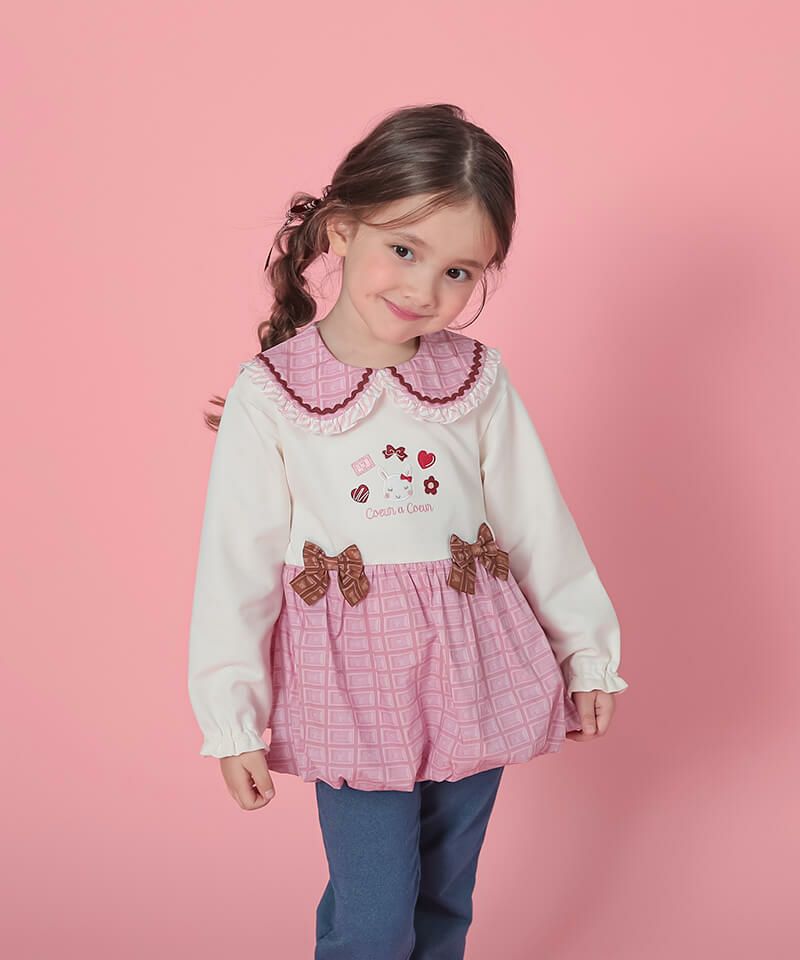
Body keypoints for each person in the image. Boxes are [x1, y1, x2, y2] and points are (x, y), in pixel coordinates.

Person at [187, 102, 629, 959]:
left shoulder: (475, 378)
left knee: (446, 895)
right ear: (341, 231)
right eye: (404, 250)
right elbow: (235, 567)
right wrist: (232, 718)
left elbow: (537, 523)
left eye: (459, 271)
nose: (426, 291)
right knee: (375, 908)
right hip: (352, 689)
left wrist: (587, 651)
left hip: (476, 665)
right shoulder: (272, 393)